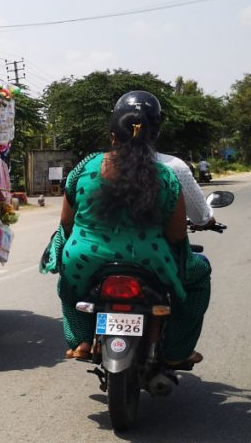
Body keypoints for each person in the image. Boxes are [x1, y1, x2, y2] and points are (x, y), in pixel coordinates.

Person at [56, 91, 210, 368]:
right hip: (150, 261)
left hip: (85, 259)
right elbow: (176, 235)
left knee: (68, 286)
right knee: (199, 277)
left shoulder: (86, 166)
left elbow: (67, 221)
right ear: (152, 136)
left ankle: (82, 340)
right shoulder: (166, 175)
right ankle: (177, 350)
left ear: (112, 137)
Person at [158, 152, 216, 230]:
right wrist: (207, 219)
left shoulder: (194, 164)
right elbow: (200, 216)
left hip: (200, 171)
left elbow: (198, 167)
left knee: (200, 176)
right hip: (161, 239)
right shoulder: (174, 165)